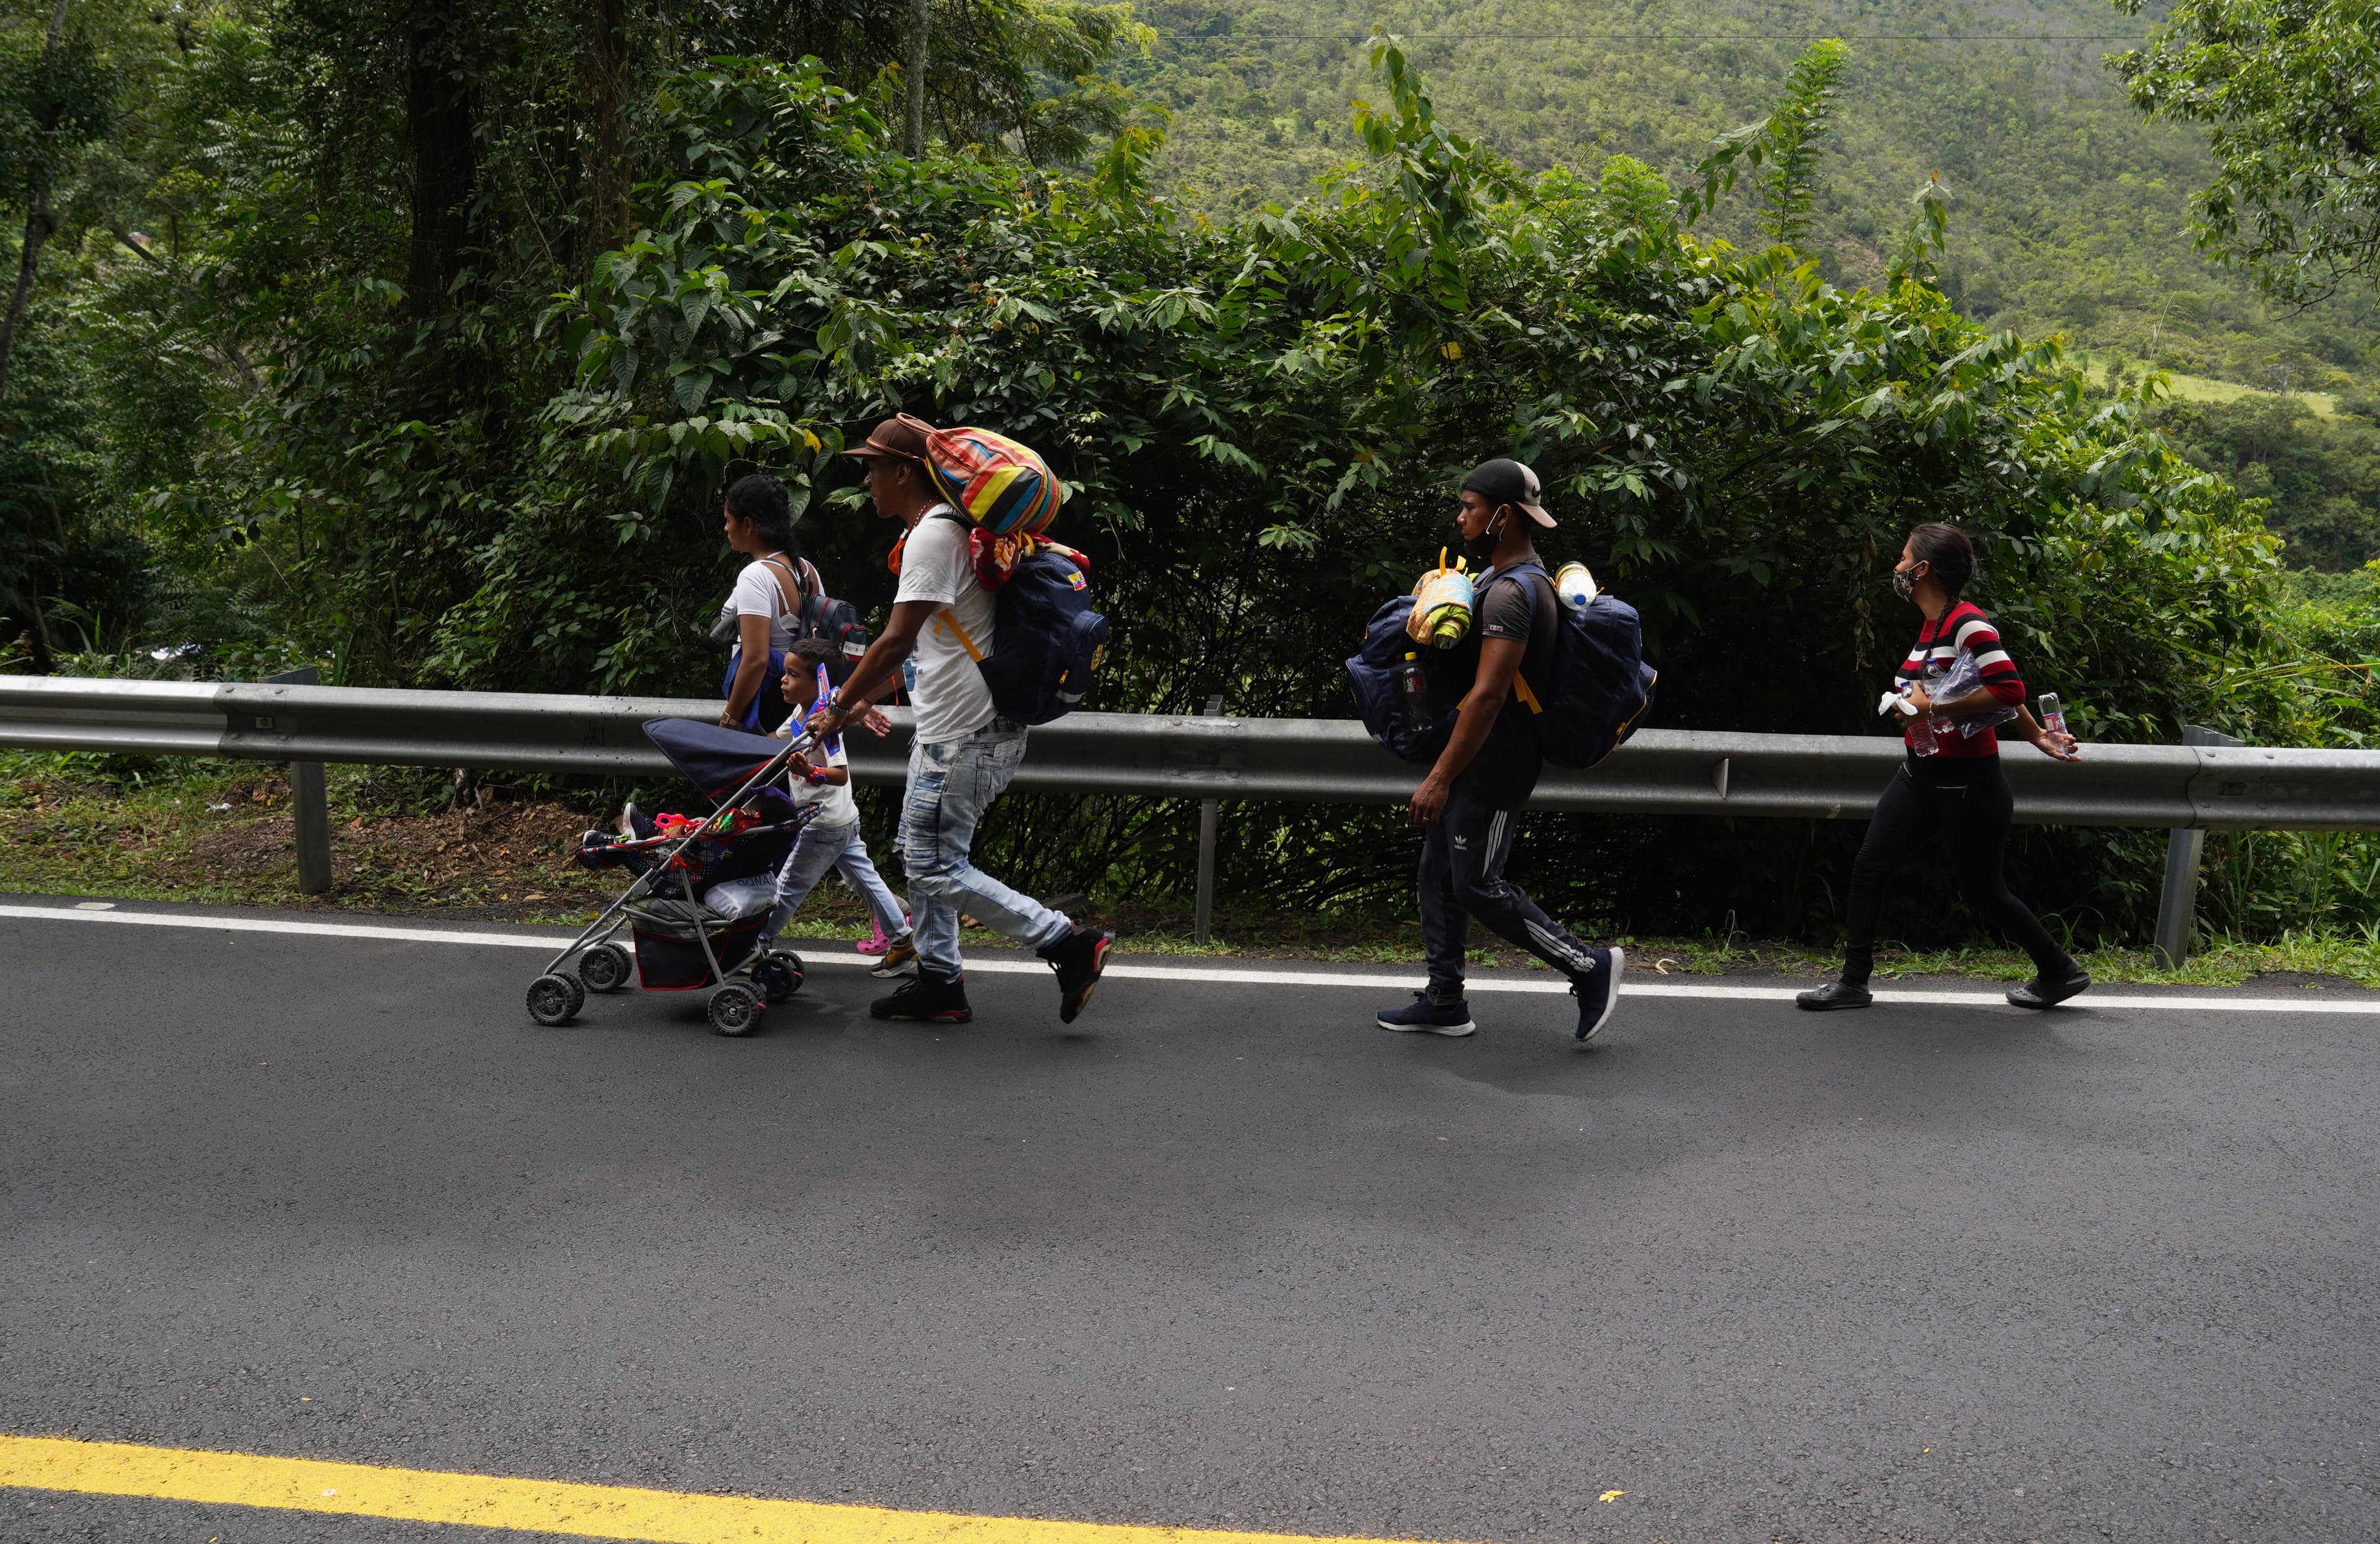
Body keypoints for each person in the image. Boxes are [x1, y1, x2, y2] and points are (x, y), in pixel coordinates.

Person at [802, 415, 1112, 1026]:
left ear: (902, 471)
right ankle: (940, 982)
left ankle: (1066, 941)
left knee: (932, 863)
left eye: (872, 467)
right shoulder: (950, 532)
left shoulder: (933, 538)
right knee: (928, 852)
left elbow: (894, 642)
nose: (867, 480)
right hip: (957, 728)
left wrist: (836, 711)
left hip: (964, 736)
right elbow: (924, 647)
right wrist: (866, 700)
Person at [1377, 457, 1625, 1043]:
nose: (1461, 516)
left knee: (1477, 882)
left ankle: (1590, 967)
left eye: (1471, 507)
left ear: (1503, 515)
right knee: (1439, 871)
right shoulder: (1497, 578)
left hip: (1495, 760)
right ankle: (1444, 999)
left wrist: (1439, 776)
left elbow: (1489, 697)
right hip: (1475, 753)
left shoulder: (1514, 594)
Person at [1797, 522, 2091, 1011]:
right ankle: (1852, 983)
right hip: (1919, 776)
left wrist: (1931, 708)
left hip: (1968, 787)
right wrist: (2030, 731)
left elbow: (2008, 688)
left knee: (1984, 892)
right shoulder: (1933, 627)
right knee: (1870, 868)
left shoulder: (1968, 622)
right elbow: (1979, 681)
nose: (1896, 567)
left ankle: (2059, 970)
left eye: (1903, 557)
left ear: (1923, 569)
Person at [755, 639, 915, 969]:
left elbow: (840, 774)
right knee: (865, 880)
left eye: (792, 675)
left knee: (786, 888)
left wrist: (809, 771)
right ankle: (903, 941)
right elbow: (776, 741)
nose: (783, 680)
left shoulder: (825, 724)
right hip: (842, 819)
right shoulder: (802, 713)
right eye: (785, 673)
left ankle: (756, 944)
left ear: (817, 682)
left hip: (821, 823)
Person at [717, 474, 823, 733]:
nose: (726, 529)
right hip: (798, 706)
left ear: (748, 525)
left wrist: (729, 719)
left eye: (728, 521)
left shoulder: (755, 576)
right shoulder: (807, 571)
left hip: (764, 706)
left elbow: (755, 660)